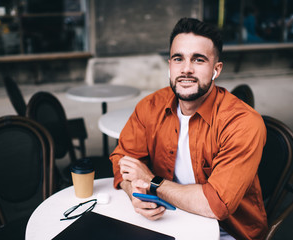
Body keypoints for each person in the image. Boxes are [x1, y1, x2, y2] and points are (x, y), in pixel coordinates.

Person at [110, 17, 268, 240]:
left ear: (216, 69)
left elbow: (216, 204)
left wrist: (152, 182)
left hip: (227, 232)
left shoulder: (242, 122)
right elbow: (122, 160)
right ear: (170, 66)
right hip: (166, 220)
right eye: (178, 58)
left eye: (198, 60)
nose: (186, 69)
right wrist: (134, 191)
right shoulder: (150, 107)